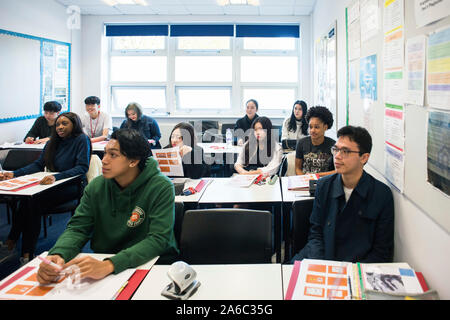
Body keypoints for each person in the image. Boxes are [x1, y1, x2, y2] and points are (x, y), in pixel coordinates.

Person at [36, 129, 179, 284]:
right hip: (107, 261)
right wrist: (60, 253)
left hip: (153, 264)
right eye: (105, 153)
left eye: (113, 155)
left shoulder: (161, 186)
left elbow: (158, 239)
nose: (103, 160)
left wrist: (110, 265)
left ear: (133, 161)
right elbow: (78, 228)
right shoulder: (96, 186)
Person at [291, 126, 394, 263]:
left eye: (345, 151)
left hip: (357, 268)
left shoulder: (381, 194)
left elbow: (382, 252)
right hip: (322, 258)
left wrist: (351, 273)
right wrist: (322, 265)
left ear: (364, 157)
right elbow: (316, 234)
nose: (337, 156)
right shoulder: (323, 185)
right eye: (336, 149)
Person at [1, 112, 92, 263]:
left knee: (32, 203)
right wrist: (14, 174)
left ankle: (19, 247)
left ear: (74, 125)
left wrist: (56, 176)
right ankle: (22, 250)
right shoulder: (52, 142)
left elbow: (82, 168)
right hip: (54, 184)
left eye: (64, 124)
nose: (60, 127)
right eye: (57, 124)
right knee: (26, 201)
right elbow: (38, 165)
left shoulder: (82, 139)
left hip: (72, 185)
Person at [295, 106, 336, 177]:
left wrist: (316, 176)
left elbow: (337, 171)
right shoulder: (301, 143)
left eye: (316, 127)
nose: (312, 130)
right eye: (310, 127)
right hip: (305, 182)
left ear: (325, 127)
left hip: (326, 182)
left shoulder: (333, 145)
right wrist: (305, 178)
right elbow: (298, 168)